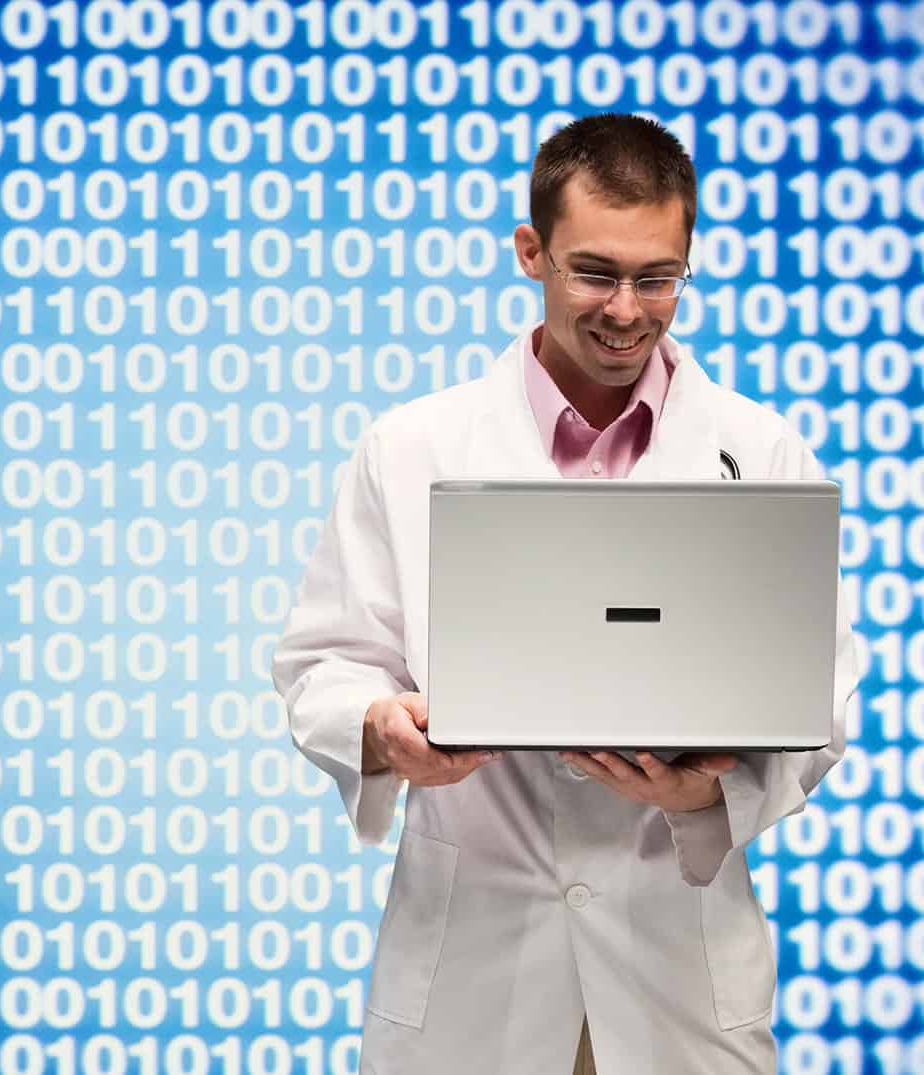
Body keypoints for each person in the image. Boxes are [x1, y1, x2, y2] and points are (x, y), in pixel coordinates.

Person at [271, 113, 860, 1074]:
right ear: (530, 252)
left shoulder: (756, 453)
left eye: (655, 277)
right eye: (593, 272)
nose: (626, 309)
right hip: (473, 973)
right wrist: (382, 728)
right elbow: (322, 661)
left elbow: (821, 696)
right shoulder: (413, 446)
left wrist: (706, 791)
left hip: (675, 965)